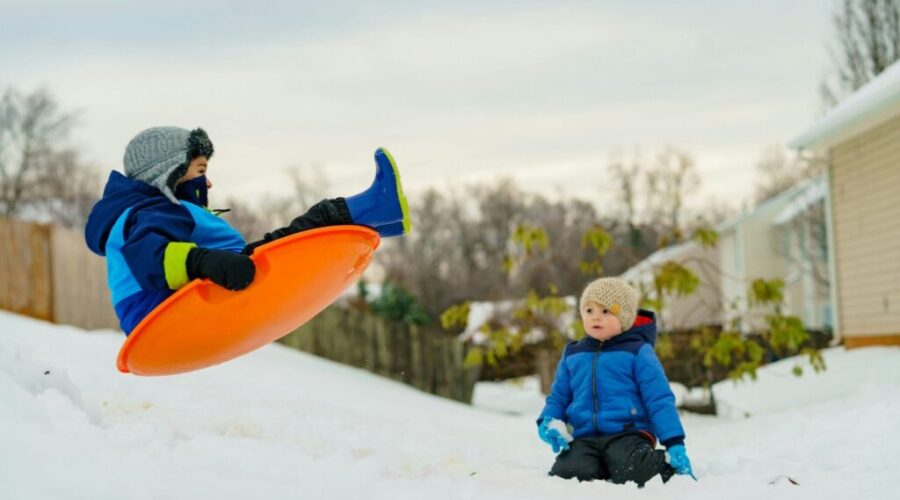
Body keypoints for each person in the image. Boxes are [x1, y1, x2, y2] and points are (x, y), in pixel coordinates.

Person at [84, 126, 410, 334]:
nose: (207, 182)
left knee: (278, 245)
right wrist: (202, 262)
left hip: (166, 310)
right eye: (200, 170)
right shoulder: (152, 212)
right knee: (292, 239)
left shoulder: (143, 212)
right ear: (169, 173)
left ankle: (379, 219)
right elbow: (147, 256)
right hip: (162, 314)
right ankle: (374, 207)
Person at [536, 277, 695, 487]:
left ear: (624, 317)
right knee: (567, 474)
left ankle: (665, 465)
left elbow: (658, 398)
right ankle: (601, 465)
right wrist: (547, 420)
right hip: (584, 436)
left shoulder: (638, 351)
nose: (596, 318)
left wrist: (674, 442)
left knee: (633, 470)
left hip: (628, 434)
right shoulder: (573, 354)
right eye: (589, 310)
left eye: (606, 311)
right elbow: (560, 396)